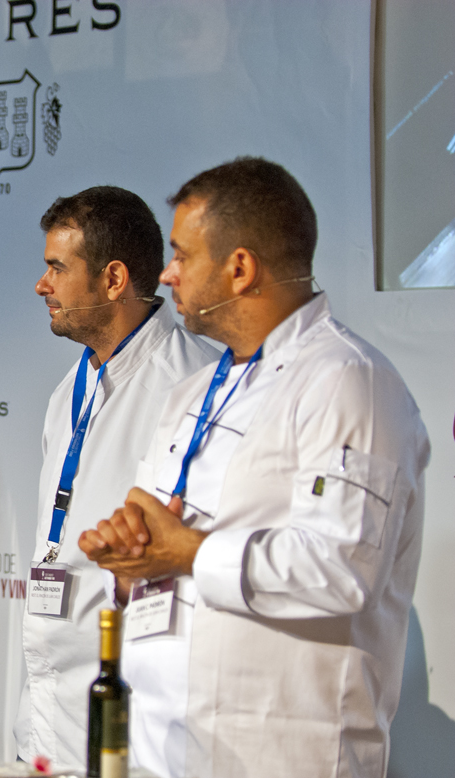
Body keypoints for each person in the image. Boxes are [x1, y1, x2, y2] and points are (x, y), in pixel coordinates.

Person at [79, 158, 430, 778]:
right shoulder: (191, 395)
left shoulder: (349, 382)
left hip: (281, 754)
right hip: (161, 748)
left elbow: (341, 568)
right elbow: (159, 546)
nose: (167, 273)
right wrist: (132, 557)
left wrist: (186, 551)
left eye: (183, 255)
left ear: (240, 268)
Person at [15, 187, 218, 769]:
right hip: (49, 698)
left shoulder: (195, 386)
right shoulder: (65, 395)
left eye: (57, 267)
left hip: (140, 703)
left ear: (113, 279)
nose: (41, 284)